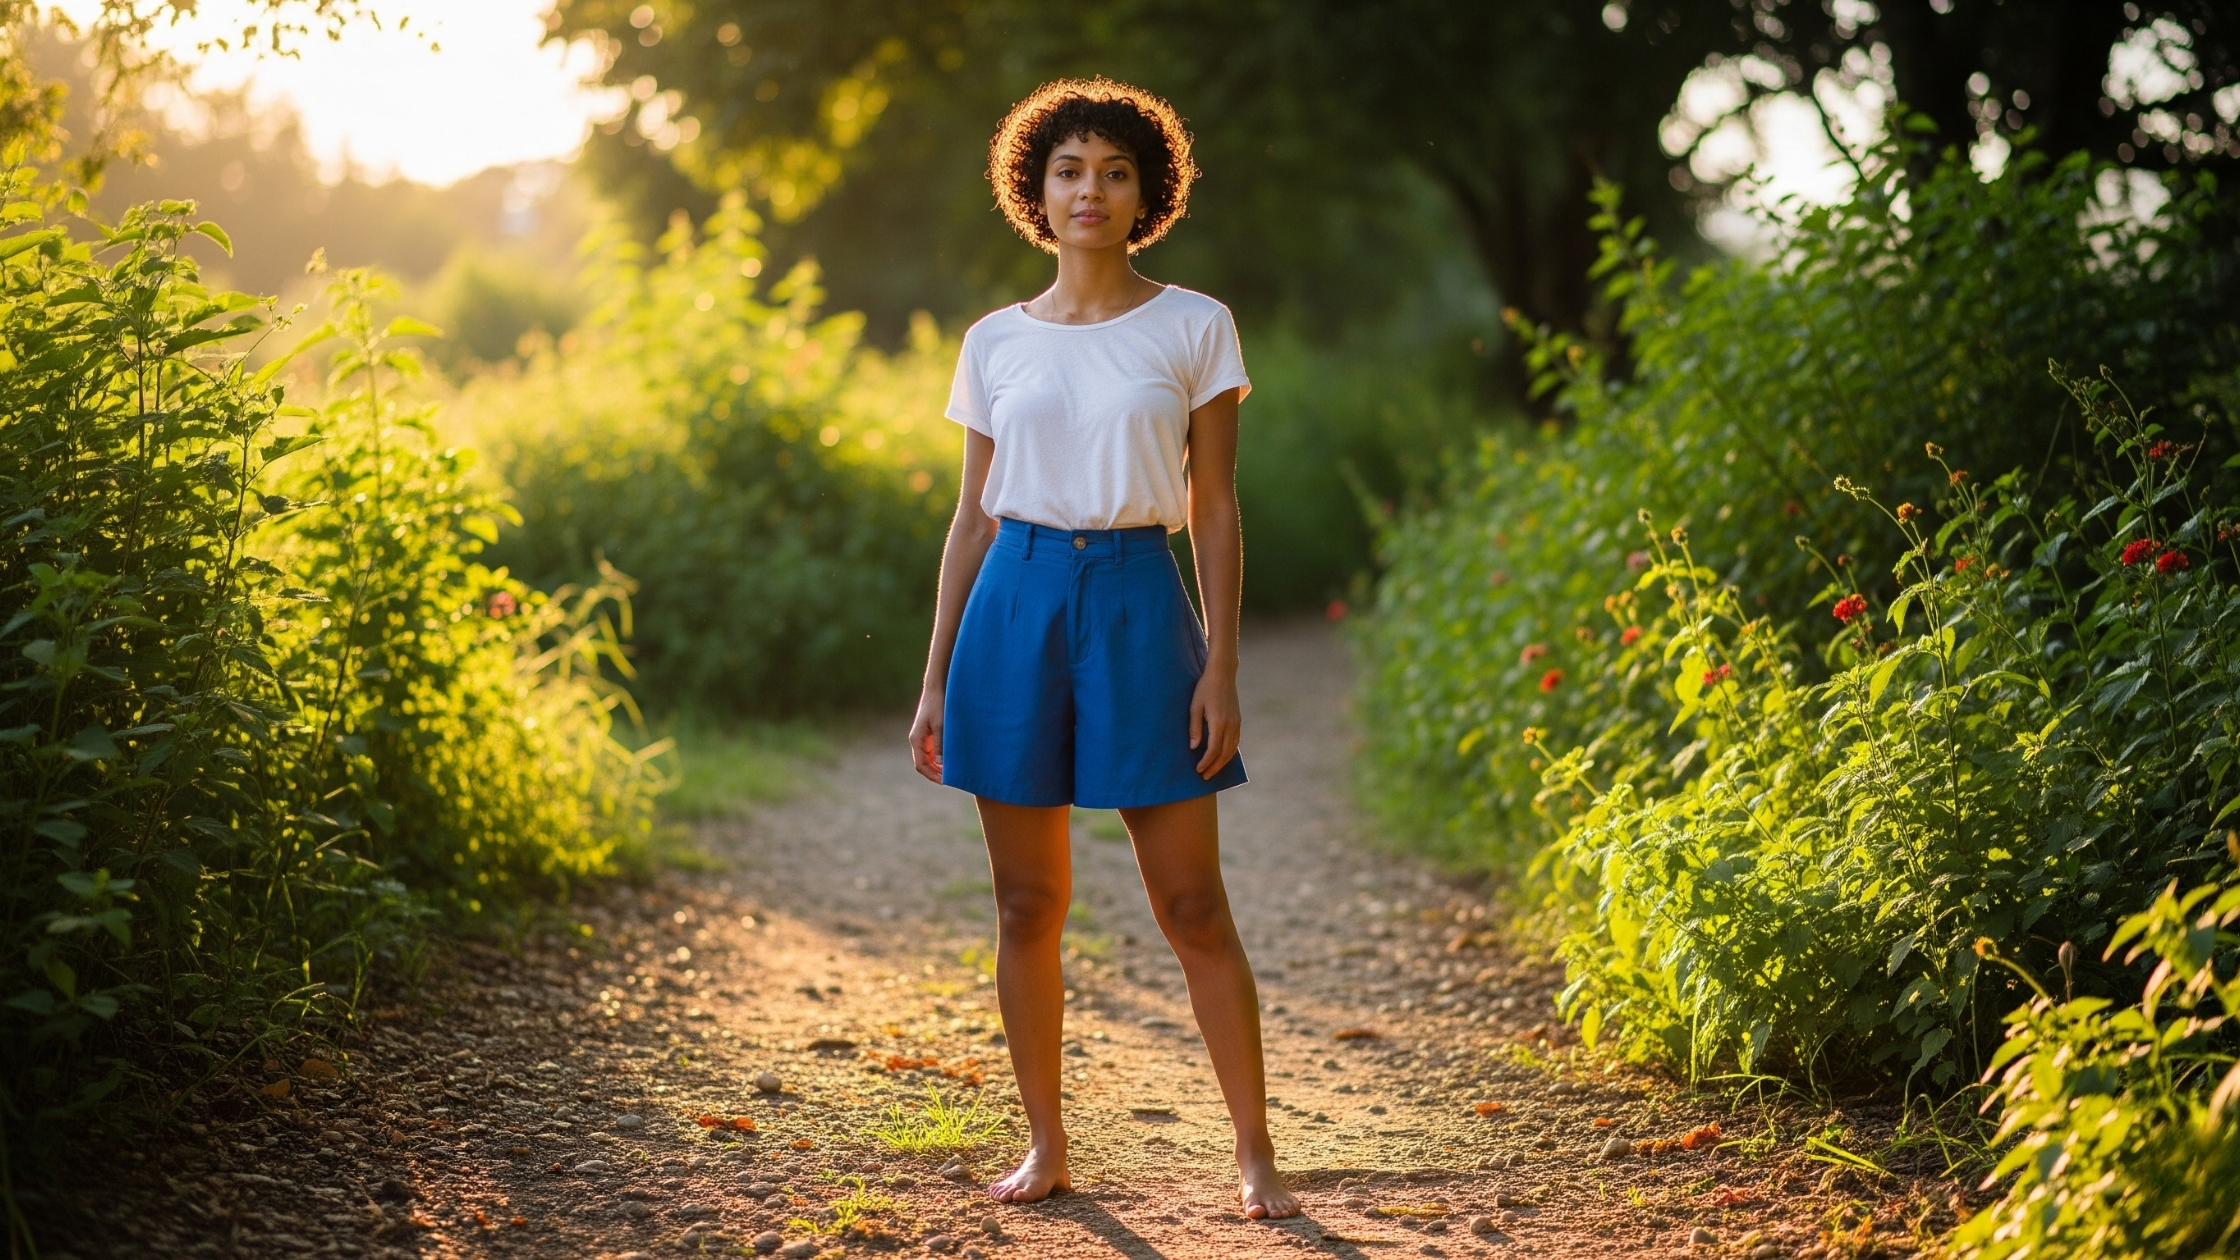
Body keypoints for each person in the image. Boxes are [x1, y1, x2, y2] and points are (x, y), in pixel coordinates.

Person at [906, 77, 1299, 1220]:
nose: (1090, 189)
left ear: (1147, 194)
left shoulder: (1194, 325)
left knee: (1192, 906)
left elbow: (1215, 508)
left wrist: (1220, 663)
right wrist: (933, 680)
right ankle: (1045, 1147)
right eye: (1068, 169)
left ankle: (1253, 1154)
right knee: (1026, 905)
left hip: (1138, 599)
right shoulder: (991, 342)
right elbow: (970, 518)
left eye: (1114, 171)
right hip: (1012, 602)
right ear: (1034, 189)